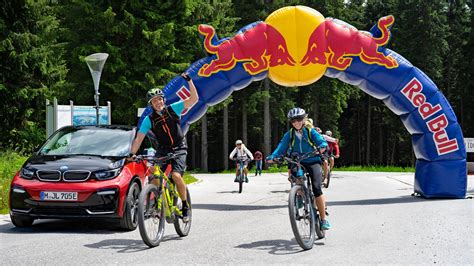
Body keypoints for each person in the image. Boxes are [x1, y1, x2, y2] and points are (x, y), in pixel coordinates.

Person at [129, 73, 198, 222]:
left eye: (159, 99)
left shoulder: (173, 109)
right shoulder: (149, 119)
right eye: (154, 101)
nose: (158, 102)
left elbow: (194, 99)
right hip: (163, 149)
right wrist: (131, 154)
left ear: (163, 100)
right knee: (154, 173)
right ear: (151, 104)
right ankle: (154, 203)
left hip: (179, 147)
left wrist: (189, 81)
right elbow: (138, 139)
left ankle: (185, 206)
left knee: (176, 175)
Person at [266, 108, 331, 230]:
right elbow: (281, 147)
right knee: (295, 179)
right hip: (297, 162)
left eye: (299, 119)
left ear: (304, 119)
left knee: (317, 188)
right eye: (293, 120)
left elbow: (321, 142)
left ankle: (323, 219)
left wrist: (322, 147)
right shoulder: (289, 134)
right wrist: (273, 157)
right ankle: (300, 194)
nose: (297, 122)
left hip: (313, 161)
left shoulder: (310, 131)